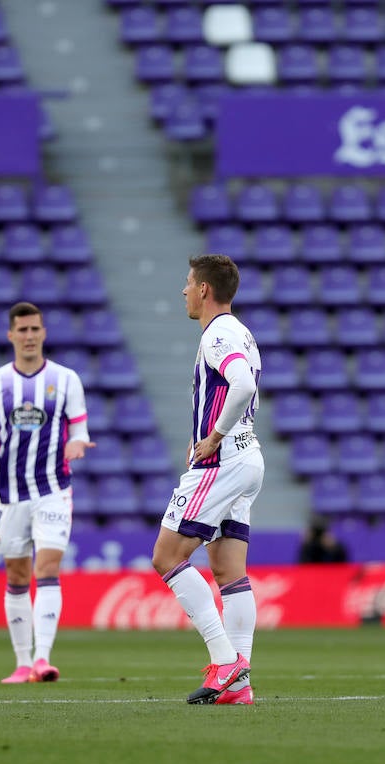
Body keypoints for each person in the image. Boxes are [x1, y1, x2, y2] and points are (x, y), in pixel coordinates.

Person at [0, 302, 94, 684]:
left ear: (44, 333)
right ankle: (23, 662)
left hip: (53, 490)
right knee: (16, 574)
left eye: (35, 330)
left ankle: (43, 660)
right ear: (11, 335)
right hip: (10, 494)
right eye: (22, 330)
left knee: (47, 568)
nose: (29, 336)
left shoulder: (66, 380)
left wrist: (77, 444)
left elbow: (80, 430)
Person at [151, 254, 263, 705]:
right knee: (228, 571)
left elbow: (242, 386)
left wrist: (213, 436)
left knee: (166, 556)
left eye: (188, 282)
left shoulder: (218, 334)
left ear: (203, 289)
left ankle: (226, 661)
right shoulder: (242, 332)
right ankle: (240, 685)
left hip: (224, 461)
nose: (183, 290)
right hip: (248, 457)